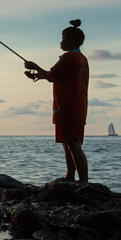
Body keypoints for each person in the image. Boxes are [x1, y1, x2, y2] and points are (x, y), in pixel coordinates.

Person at [24, 19, 90, 182]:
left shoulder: (68, 57)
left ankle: (83, 181)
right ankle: (70, 176)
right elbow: (60, 77)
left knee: (73, 144)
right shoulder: (81, 58)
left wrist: (34, 66)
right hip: (77, 107)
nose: (60, 42)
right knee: (68, 143)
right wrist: (39, 76)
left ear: (71, 40)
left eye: (63, 38)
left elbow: (52, 76)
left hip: (67, 107)